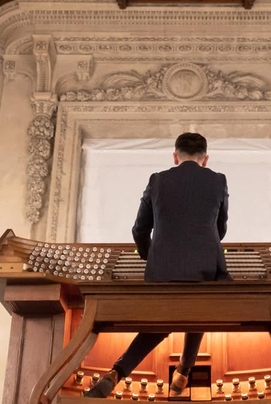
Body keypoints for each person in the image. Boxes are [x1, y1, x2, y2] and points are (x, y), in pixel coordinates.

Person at [85, 132, 230, 398]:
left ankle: (116, 373)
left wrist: (152, 256)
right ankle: (184, 372)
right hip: (207, 271)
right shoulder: (218, 181)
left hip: (162, 271)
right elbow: (220, 230)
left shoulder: (158, 180)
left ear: (175, 157)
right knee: (199, 309)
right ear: (205, 159)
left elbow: (140, 230)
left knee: (161, 322)